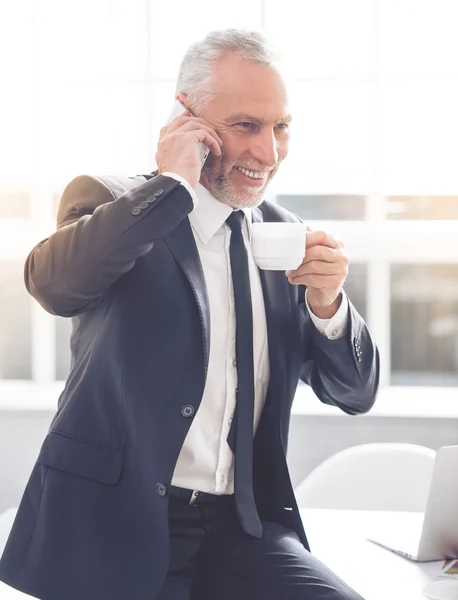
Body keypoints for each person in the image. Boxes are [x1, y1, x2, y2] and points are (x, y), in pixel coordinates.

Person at [0, 29, 379, 600]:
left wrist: (328, 306)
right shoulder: (114, 203)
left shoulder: (285, 237)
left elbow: (355, 394)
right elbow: (53, 287)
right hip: (116, 525)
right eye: (245, 125)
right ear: (187, 118)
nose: (267, 153)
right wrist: (173, 183)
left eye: (280, 127)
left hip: (243, 528)